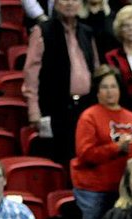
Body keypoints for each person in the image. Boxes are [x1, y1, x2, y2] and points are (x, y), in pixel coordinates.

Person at [22, 0, 99, 166]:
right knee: (60, 159)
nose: (70, 3)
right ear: (55, 4)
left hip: (86, 106)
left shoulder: (87, 32)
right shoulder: (42, 31)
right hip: (56, 108)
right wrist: (34, 111)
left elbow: (95, 67)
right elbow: (31, 75)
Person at [70, 65, 132, 219]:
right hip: (93, 190)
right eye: (104, 87)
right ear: (97, 91)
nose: (110, 91)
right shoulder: (89, 116)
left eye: (113, 86)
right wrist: (117, 148)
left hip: (123, 189)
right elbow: (85, 153)